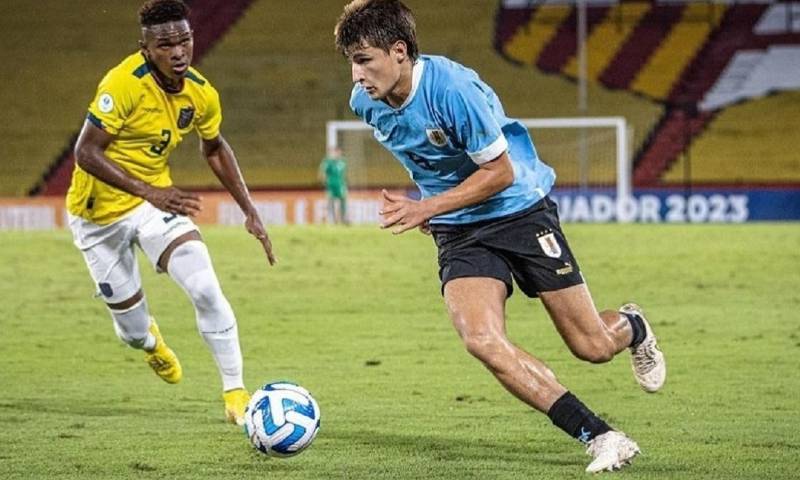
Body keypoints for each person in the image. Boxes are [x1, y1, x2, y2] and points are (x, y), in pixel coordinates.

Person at [334, 0, 666, 473]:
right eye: (351, 61)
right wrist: (438, 205)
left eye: (364, 59)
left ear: (400, 52)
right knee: (481, 339)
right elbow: (419, 152)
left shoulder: (453, 90)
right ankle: (602, 435)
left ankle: (632, 325)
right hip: (460, 229)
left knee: (591, 346)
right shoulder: (365, 103)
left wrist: (427, 205)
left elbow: (501, 172)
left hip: (518, 211)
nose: (356, 75)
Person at [66, 0, 276, 426]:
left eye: (185, 40)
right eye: (166, 44)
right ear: (145, 47)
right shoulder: (122, 84)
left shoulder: (201, 92)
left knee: (204, 287)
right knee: (131, 331)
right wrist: (149, 191)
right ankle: (149, 342)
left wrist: (249, 209)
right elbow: (85, 152)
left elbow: (214, 147)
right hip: (97, 216)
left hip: (154, 204)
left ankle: (236, 392)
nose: (178, 51)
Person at [318, 147, 349, 224]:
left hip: (340, 185)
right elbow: (323, 172)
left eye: (339, 152)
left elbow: (344, 174)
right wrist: (324, 181)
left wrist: (344, 183)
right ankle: (332, 219)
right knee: (330, 202)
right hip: (331, 185)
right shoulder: (328, 162)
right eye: (335, 152)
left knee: (343, 201)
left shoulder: (343, 162)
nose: (337, 154)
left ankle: (343, 219)